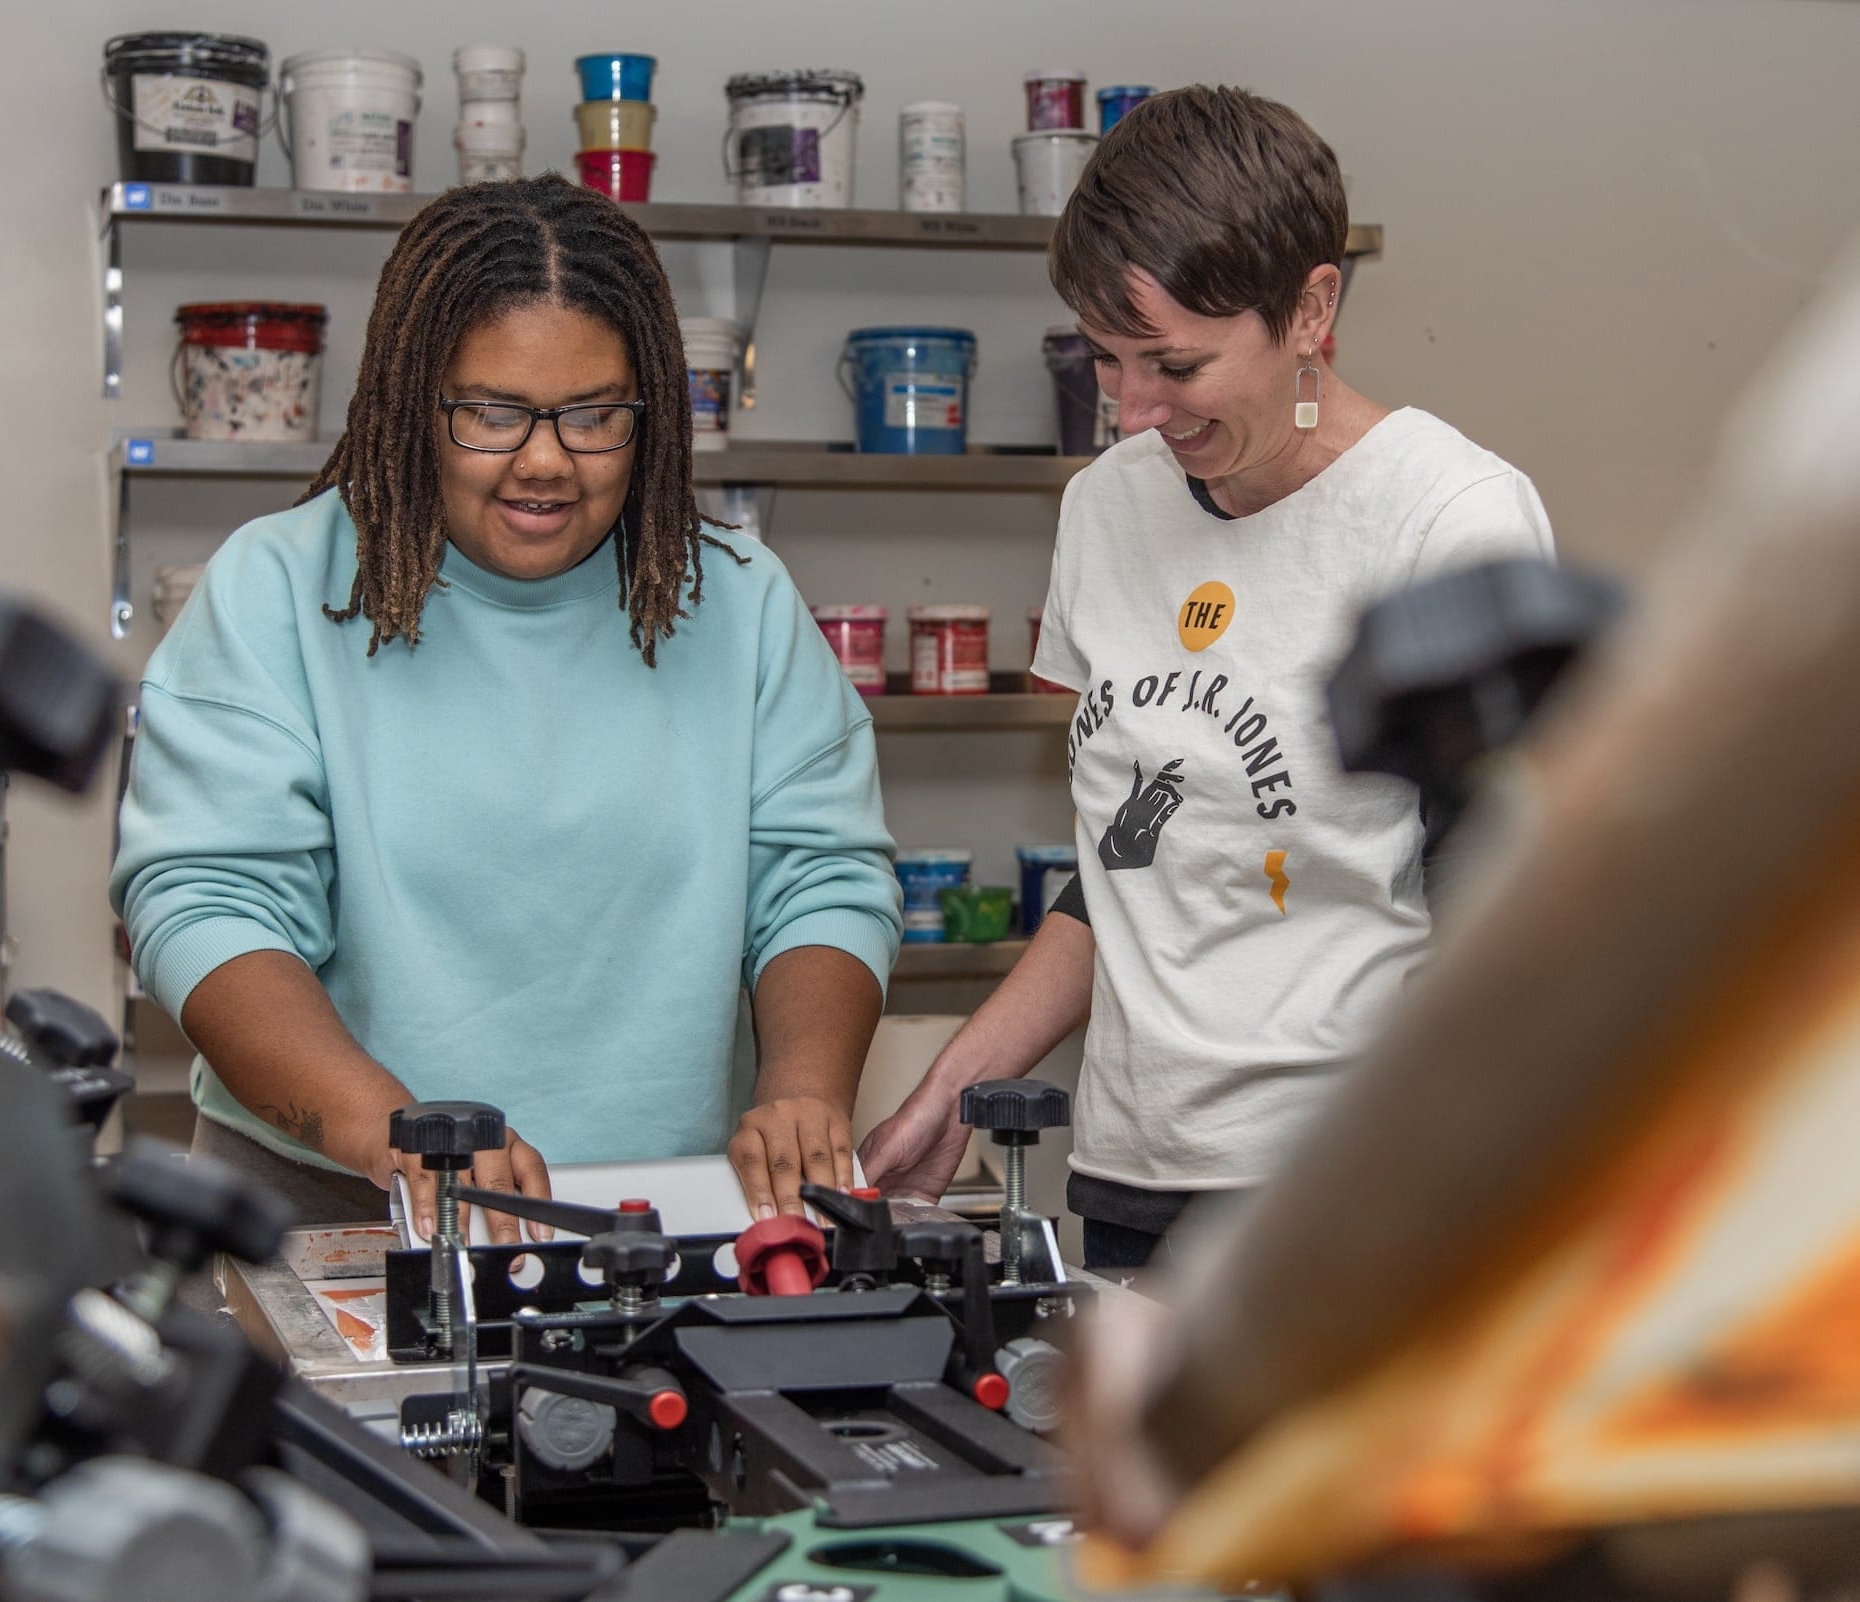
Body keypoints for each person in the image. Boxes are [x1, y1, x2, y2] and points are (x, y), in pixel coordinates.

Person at [112, 176, 902, 1244]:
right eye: (490, 412)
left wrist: (803, 1090)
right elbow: (208, 904)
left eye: (594, 415)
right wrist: (393, 1132)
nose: (545, 460)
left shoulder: (742, 603)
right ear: (410, 401)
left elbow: (821, 879)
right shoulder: (278, 591)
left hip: (659, 1209)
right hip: (333, 1207)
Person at [859, 86, 1555, 1269]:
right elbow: (1123, 876)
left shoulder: (1447, 523)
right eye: (1107, 358)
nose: (1130, 410)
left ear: (1312, 309)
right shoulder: (1104, 509)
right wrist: (959, 1088)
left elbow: (1500, 921)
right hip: (1132, 1176)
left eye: (1175, 363)